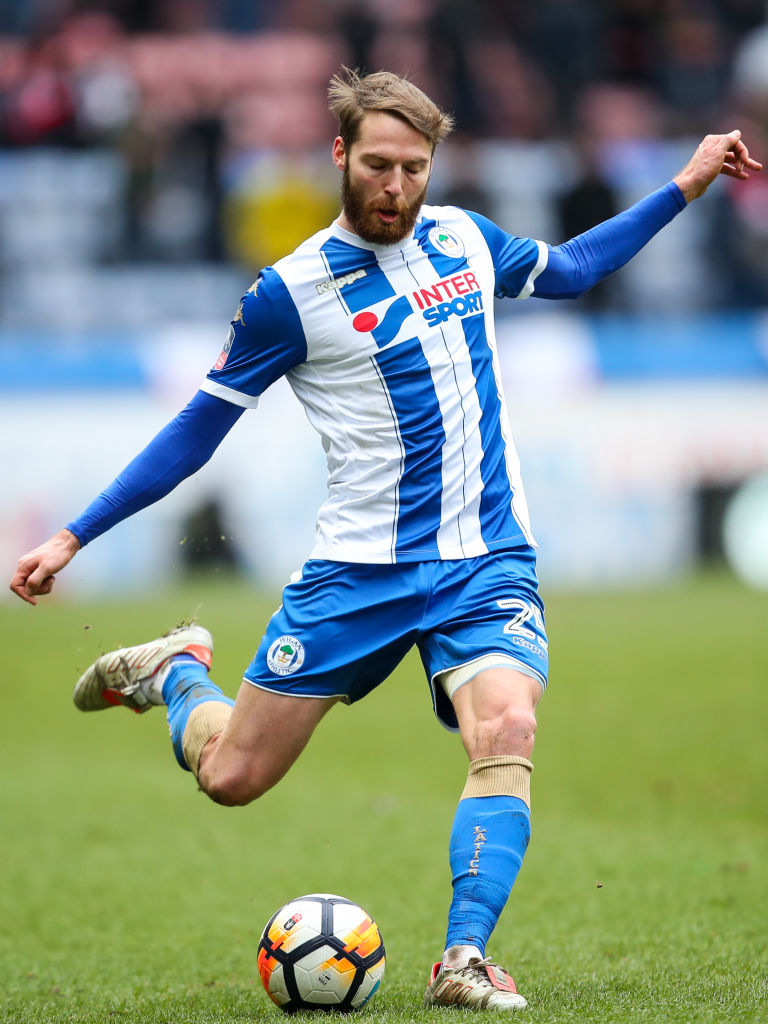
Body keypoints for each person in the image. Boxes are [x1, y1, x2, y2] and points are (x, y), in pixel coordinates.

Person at [10, 69, 761, 1011]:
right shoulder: (290, 294)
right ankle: (176, 673)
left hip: (486, 559)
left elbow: (570, 270)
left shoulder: (464, 239)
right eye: (377, 165)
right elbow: (198, 429)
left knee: (508, 727)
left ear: (432, 165)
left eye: (412, 167)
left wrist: (684, 184)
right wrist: (77, 534)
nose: (395, 185)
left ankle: (462, 959)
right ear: (340, 157)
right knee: (232, 776)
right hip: (359, 572)